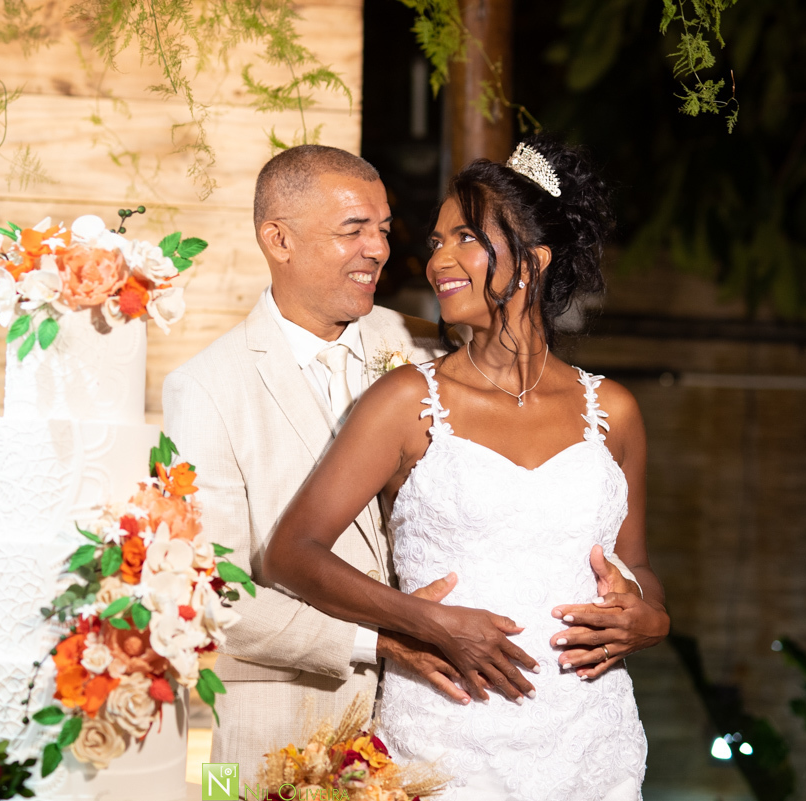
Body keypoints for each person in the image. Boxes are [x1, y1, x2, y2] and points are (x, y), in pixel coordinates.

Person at [264, 136, 671, 801]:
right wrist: (421, 622)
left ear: (533, 262)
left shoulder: (614, 411)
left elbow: (638, 565)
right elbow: (292, 551)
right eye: (435, 241)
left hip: (590, 739)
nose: (438, 260)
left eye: (466, 239)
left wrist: (652, 618)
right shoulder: (406, 402)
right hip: (446, 738)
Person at [162, 145, 462, 782]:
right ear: (279, 239)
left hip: (443, 728)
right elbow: (214, 597)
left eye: (382, 229)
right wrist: (378, 641)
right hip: (279, 739)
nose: (378, 249)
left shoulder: (427, 348)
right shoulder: (206, 386)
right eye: (353, 230)